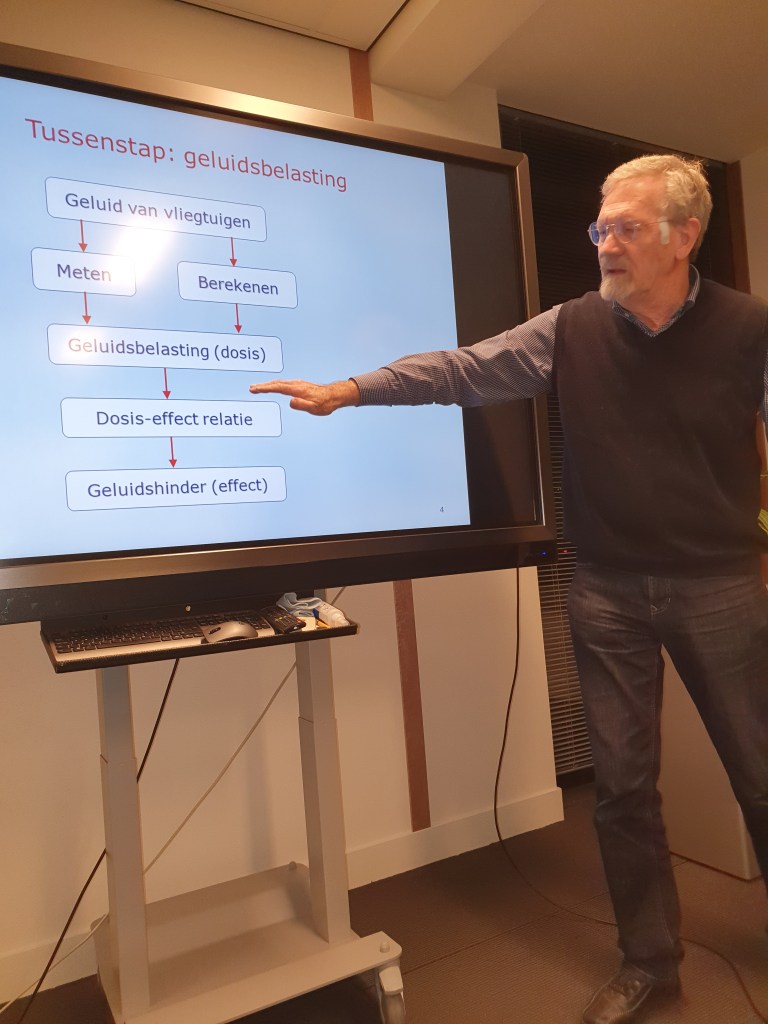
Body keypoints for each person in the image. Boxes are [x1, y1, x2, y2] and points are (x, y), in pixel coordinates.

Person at [250, 154, 768, 1024]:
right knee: (622, 791)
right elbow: (463, 370)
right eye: (599, 227)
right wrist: (353, 390)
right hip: (604, 587)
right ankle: (649, 962)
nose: (604, 244)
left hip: (718, 586)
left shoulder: (749, 329)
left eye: (626, 228)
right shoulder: (570, 328)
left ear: (684, 237)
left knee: (759, 773)